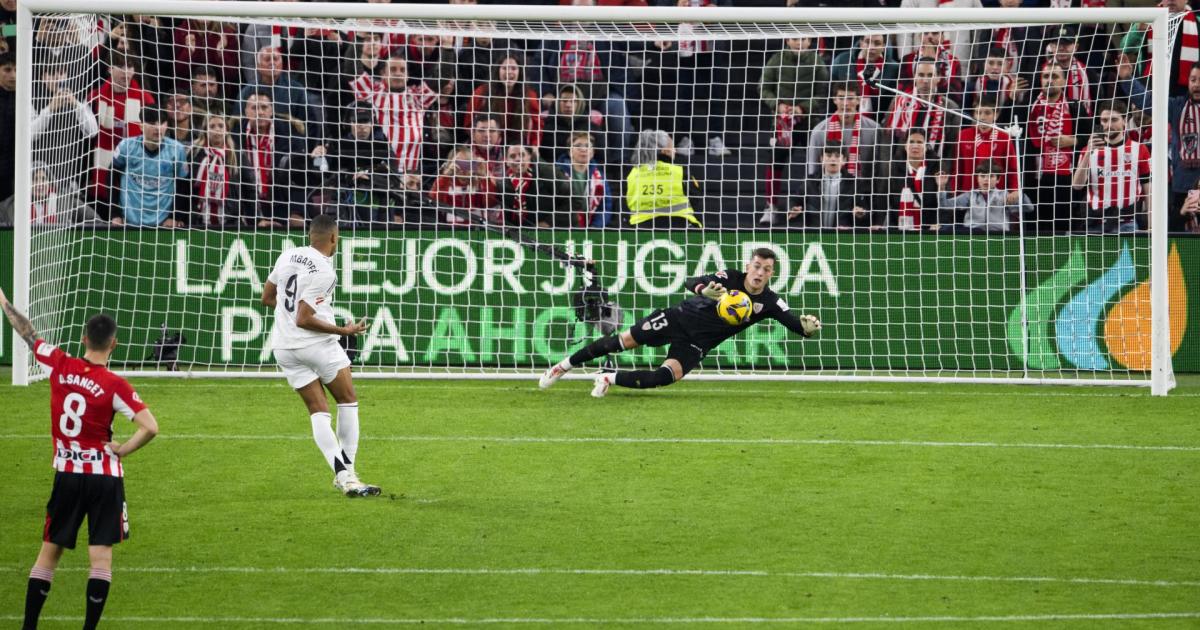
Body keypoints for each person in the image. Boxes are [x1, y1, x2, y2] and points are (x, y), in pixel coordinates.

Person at [0, 288, 159, 630]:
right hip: (105, 477)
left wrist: (4, 303)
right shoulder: (115, 385)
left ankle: (28, 627)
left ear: (84, 339)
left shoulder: (59, 364)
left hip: (67, 474)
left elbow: (29, 334)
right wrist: (122, 449)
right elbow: (150, 427)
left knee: (49, 553)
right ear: (113, 344)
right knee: (100, 558)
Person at [538, 248, 822, 397]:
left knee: (665, 377)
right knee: (621, 342)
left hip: (697, 343)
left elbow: (795, 324)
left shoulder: (770, 302)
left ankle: (607, 377)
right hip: (677, 318)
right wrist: (704, 290)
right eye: (757, 266)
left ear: (771, 274)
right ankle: (563, 366)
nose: (759, 273)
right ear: (748, 266)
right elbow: (692, 281)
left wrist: (807, 328)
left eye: (766, 269)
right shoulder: (729, 277)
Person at [261, 214, 380, 498]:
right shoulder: (326, 272)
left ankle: (344, 478)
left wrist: (287, 316)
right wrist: (344, 330)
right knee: (347, 400)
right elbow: (304, 318)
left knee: (319, 410)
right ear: (334, 238)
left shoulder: (288, 256)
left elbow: (267, 298)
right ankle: (349, 474)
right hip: (316, 345)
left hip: (284, 346)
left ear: (310, 235)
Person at [1072, 100, 1150, 234]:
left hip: (1127, 223)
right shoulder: (1088, 151)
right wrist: (1088, 154)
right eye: (1104, 120)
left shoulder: (1140, 149)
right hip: (1096, 224)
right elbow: (1077, 185)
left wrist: (1151, 226)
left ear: (1124, 121)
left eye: (1114, 120)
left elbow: (1148, 191)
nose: (1108, 125)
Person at [1027, 62, 1089, 233]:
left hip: (1066, 178)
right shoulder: (1029, 106)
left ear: (1063, 81)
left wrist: (1073, 141)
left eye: (1054, 76)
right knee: (1036, 228)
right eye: (1046, 76)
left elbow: (1092, 137)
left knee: (1064, 227)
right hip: (1036, 178)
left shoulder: (1075, 106)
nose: (1049, 80)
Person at [110, 106, 189, 228]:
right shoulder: (126, 146)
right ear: (141, 126)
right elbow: (111, 178)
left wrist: (175, 216)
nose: (158, 128)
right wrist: (115, 214)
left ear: (166, 125)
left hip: (163, 224)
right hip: (129, 222)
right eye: (152, 123)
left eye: (161, 123)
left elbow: (183, 186)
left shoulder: (177, 150)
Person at [626, 129, 702, 229]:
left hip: (640, 229)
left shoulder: (632, 174)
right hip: (680, 228)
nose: (675, 151)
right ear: (664, 150)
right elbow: (696, 200)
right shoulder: (680, 172)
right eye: (673, 147)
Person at [787, 144, 874, 230]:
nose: (833, 159)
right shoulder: (809, 182)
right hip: (814, 234)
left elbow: (865, 211)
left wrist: (861, 213)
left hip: (842, 235)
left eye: (837, 156)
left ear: (844, 160)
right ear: (821, 159)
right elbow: (795, 200)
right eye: (828, 155)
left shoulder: (854, 184)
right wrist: (793, 208)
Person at [937, 160, 1032, 234]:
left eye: (991, 176)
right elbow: (945, 205)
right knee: (945, 228)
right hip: (973, 235)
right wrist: (941, 187)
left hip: (998, 236)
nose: (986, 179)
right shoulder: (970, 195)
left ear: (998, 179)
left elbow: (1029, 208)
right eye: (982, 176)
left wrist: (1020, 194)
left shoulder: (1004, 195)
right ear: (977, 178)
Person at [953, 96, 1018, 194]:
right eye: (978, 113)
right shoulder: (963, 135)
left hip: (996, 195)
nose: (982, 117)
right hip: (968, 193)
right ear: (974, 115)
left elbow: (1012, 168)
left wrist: (1014, 190)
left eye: (987, 113)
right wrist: (955, 192)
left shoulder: (1004, 137)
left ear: (996, 115)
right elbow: (957, 168)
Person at [499, 143, 571, 227]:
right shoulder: (504, 185)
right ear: (506, 161)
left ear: (529, 157)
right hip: (524, 231)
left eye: (522, 155)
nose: (518, 159)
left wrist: (549, 222)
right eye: (512, 156)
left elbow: (574, 200)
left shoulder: (548, 173)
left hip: (559, 229)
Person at [556, 131, 613, 228]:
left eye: (587, 146)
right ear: (570, 151)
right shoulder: (557, 173)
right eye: (578, 145)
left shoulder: (600, 177)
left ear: (593, 152)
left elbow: (605, 207)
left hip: (590, 228)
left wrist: (595, 227)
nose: (583, 149)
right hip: (562, 227)